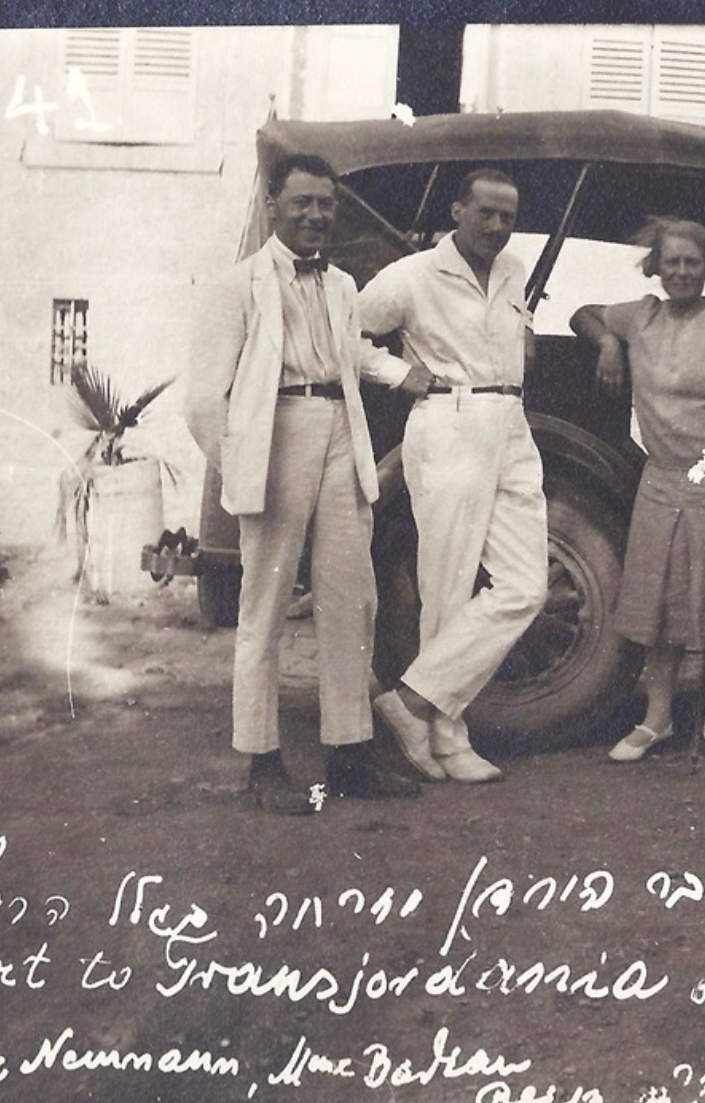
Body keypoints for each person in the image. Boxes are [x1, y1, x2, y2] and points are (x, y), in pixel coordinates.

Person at [186, 153, 429, 813]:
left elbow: (347, 351)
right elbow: (204, 400)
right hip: (277, 435)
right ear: (274, 208)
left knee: (353, 600)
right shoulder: (236, 287)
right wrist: (241, 464)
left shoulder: (344, 285)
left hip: (340, 433)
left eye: (325, 204)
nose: (316, 214)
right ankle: (262, 764)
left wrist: (397, 373)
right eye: (302, 203)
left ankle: (348, 753)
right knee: (262, 609)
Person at [570, 218, 705, 764]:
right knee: (658, 600)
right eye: (672, 262)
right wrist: (609, 347)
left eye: (693, 262)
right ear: (656, 267)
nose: (682, 272)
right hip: (665, 474)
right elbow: (581, 314)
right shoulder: (641, 316)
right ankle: (657, 719)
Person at [358, 169, 547, 784]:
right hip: (450, 419)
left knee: (525, 584)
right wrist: (395, 374)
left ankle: (412, 703)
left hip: (510, 421)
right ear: (456, 210)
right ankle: (447, 734)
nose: (497, 226)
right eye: (485, 213)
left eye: (507, 217)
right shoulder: (413, 275)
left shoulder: (514, 269)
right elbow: (341, 334)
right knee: (448, 586)